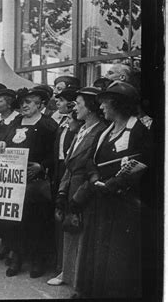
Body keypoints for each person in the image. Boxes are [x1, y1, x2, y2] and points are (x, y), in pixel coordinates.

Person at [71, 81, 151, 298]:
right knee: (96, 249)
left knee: (117, 253)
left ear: (118, 104)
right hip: (100, 200)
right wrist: (95, 177)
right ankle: (92, 292)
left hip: (122, 203)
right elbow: (91, 161)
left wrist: (115, 183)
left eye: (105, 103)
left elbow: (144, 163)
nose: (102, 107)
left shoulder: (138, 130)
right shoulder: (105, 131)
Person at [48, 87, 107, 289]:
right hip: (71, 183)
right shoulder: (81, 129)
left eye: (79, 104)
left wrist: (77, 195)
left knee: (82, 232)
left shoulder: (101, 131)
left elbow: (93, 165)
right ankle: (67, 272)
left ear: (90, 108)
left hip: (84, 188)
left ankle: (78, 278)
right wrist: (63, 191)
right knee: (70, 231)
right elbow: (69, 163)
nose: (75, 107)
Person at [0, 87, 58, 278]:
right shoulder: (15, 121)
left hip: (36, 181)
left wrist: (41, 165)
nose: (24, 105)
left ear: (40, 105)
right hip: (14, 180)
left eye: (29, 102)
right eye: (22, 102)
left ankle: (38, 261)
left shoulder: (48, 124)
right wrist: (1, 143)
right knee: (15, 221)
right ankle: (17, 257)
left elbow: (56, 153)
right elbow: (2, 138)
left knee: (36, 221)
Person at [0, 88, 20, 256]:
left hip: (10, 167)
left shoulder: (18, 120)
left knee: (8, 207)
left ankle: (9, 245)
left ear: (9, 103)